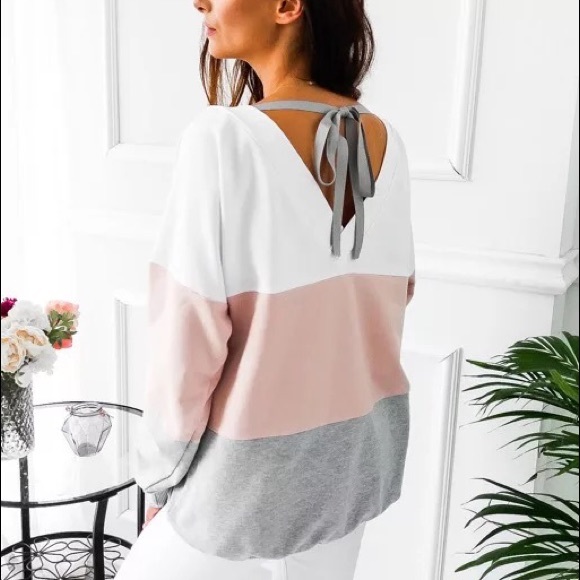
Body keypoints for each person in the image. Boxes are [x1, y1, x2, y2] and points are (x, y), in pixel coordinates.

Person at [116, 0, 416, 578]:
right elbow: (391, 303)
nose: (200, 3)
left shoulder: (222, 139)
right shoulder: (386, 141)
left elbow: (186, 346)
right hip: (351, 477)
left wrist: (159, 478)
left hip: (241, 496)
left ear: (287, 6)